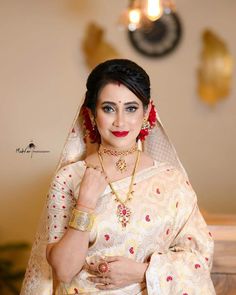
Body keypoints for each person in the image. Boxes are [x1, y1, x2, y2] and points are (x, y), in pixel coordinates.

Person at [21, 59, 216, 294]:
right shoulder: (69, 178)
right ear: (91, 114)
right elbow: (62, 271)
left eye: (131, 108)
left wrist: (143, 272)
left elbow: (199, 259)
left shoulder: (171, 181)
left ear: (147, 112)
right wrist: (85, 203)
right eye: (109, 108)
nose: (120, 121)